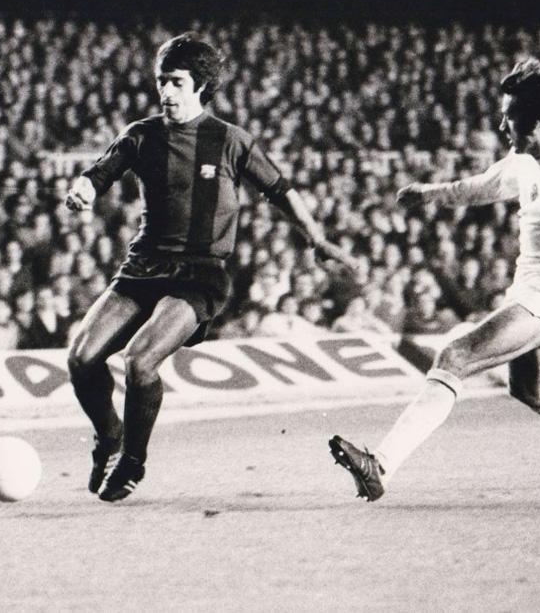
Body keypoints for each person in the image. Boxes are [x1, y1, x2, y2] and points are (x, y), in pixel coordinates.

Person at [64, 33, 355, 502]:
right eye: (162, 81)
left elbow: (280, 189)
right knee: (81, 358)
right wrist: (84, 189)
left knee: (140, 361)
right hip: (143, 267)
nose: (166, 92)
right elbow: (101, 170)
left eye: (176, 82)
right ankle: (110, 436)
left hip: (199, 274)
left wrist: (315, 237)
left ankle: (133, 461)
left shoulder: (230, 140)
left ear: (200, 85)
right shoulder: (141, 134)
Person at [330, 59, 540, 501]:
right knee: (530, 389)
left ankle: (380, 466)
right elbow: (482, 187)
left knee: (454, 357)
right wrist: (428, 195)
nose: (501, 124)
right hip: (528, 291)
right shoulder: (527, 159)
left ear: (537, 121)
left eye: (509, 115)